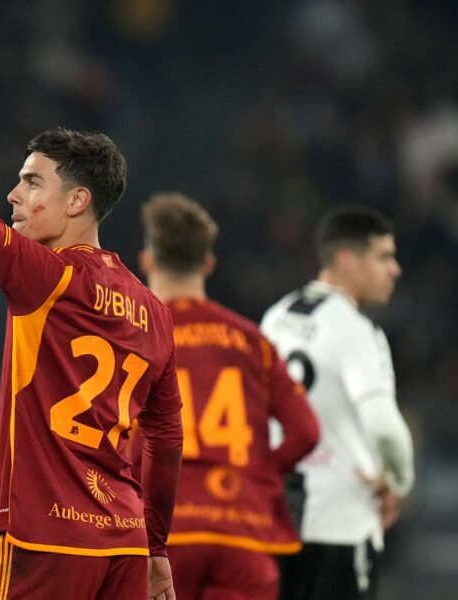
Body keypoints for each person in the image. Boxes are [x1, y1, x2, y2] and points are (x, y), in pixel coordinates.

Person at [0, 56, 184, 600]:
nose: (13, 195)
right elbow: (166, 441)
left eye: (32, 182)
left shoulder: (47, 278)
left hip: (48, 540)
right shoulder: (155, 311)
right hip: (124, 545)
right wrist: (156, 549)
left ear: (78, 201)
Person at [138, 192, 320, 600]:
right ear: (208, 264)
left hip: (165, 534)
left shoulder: (135, 337)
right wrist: (262, 476)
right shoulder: (250, 340)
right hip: (242, 525)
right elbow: (306, 430)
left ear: (147, 260)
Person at [261, 205, 415, 600]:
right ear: (346, 259)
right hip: (341, 525)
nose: (394, 269)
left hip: (275, 522)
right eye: (383, 256)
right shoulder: (358, 332)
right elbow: (383, 425)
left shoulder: (274, 318)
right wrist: (399, 481)